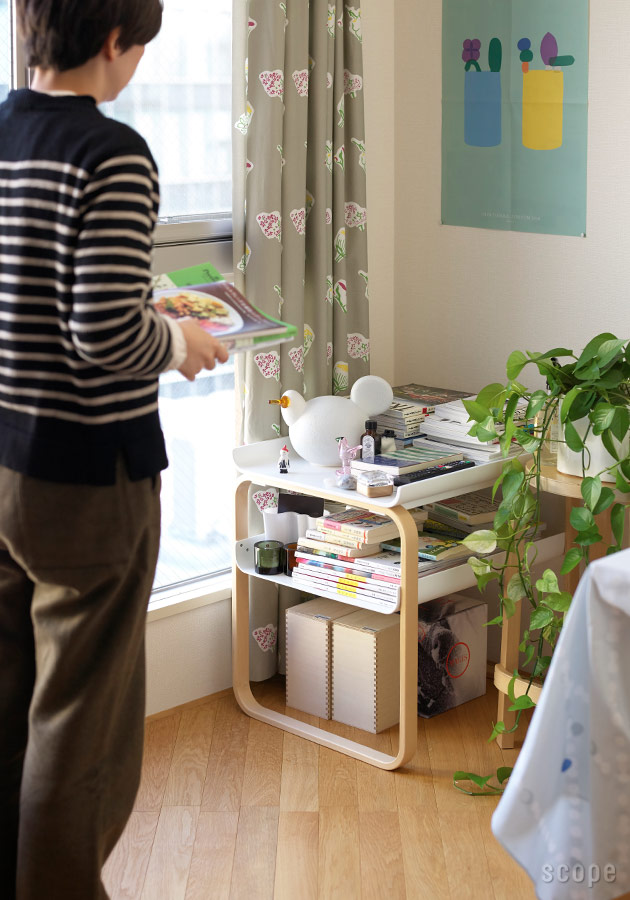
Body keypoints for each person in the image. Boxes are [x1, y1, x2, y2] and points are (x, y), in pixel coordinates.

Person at [0, 1, 229, 897]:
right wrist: (180, 341)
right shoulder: (112, 153)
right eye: (139, 48)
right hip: (86, 478)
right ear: (112, 41)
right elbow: (102, 331)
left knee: (11, 702)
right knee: (78, 723)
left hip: (5, 460)